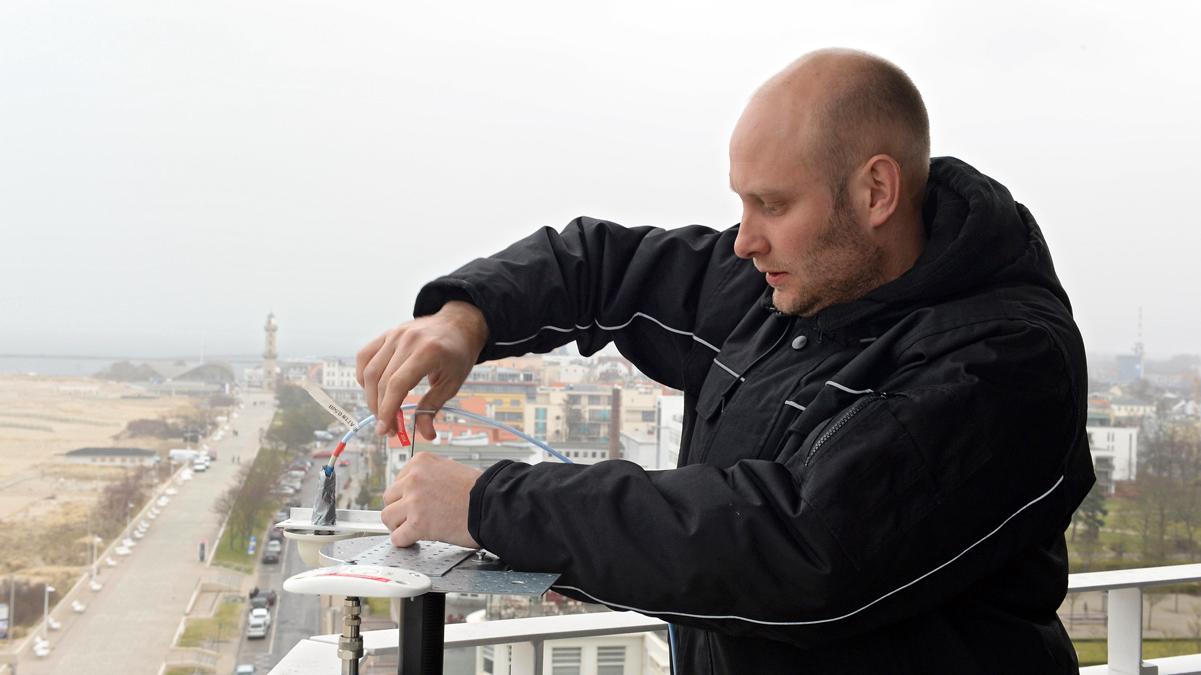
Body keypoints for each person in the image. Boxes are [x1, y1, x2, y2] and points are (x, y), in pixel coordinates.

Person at [359, 48, 1095, 673]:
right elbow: (601, 267)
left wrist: (491, 505)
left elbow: (797, 548)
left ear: (876, 191)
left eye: (772, 204)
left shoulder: (1006, 360)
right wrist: (465, 319)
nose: (744, 240)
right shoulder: (786, 286)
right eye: (742, 203)